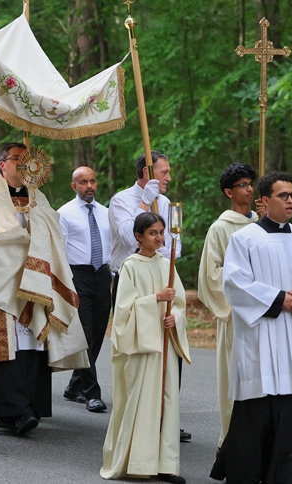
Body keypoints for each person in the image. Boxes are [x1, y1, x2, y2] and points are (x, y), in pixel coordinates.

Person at [210, 171, 292, 484]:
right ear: (264, 201)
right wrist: (279, 299)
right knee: (257, 415)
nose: (290, 200)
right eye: (283, 195)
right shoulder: (244, 239)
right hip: (262, 336)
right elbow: (234, 283)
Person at [0, 142, 88, 435]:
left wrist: (37, 223)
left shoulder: (38, 196)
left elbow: (53, 226)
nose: (22, 166)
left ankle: (30, 407)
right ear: (2, 165)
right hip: (2, 281)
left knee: (33, 345)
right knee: (7, 349)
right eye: (16, 160)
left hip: (35, 280)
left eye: (26, 160)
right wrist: (24, 231)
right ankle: (13, 411)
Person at [101, 212, 190, 484]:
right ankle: (140, 462)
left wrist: (176, 316)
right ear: (138, 236)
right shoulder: (130, 266)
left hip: (165, 344)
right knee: (144, 403)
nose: (160, 237)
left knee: (168, 402)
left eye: (162, 232)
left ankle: (166, 464)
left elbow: (180, 302)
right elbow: (124, 312)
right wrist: (156, 300)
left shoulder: (168, 265)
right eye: (153, 233)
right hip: (143, 346)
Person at [108, 149, 189, 442]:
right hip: (132, 277)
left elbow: (175, 246)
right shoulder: (121, 200)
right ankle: (139, 411)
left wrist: (165, 249)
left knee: (168, 344)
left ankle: (166, 414)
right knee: (140, 346)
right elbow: (131, 238)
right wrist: (144, 203)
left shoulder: (167, 202)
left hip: (162, 274)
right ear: (147, 173)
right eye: (164, 172)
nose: (168, 177)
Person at [196, 162, 259, 450]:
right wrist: (244, 284)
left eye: (250, 183)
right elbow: (211, 274)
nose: (249, 189)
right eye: (242, 185)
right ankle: (233, 446)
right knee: (236, 379)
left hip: (266, 312)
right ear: (228, 192)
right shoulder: (220, 229)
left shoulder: (263, 223)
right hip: (236, 313)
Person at [58, 166, 112, 412]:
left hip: (102, 275)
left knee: (99, 334)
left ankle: (74, 386)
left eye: (92, 181)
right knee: (86, 335)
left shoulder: (106, 212)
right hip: (77, 276)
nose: (88, 186)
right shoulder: (64, 214)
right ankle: (92, 393)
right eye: (83, 182)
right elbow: (59, 251)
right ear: (74, 186)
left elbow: (114, 244)